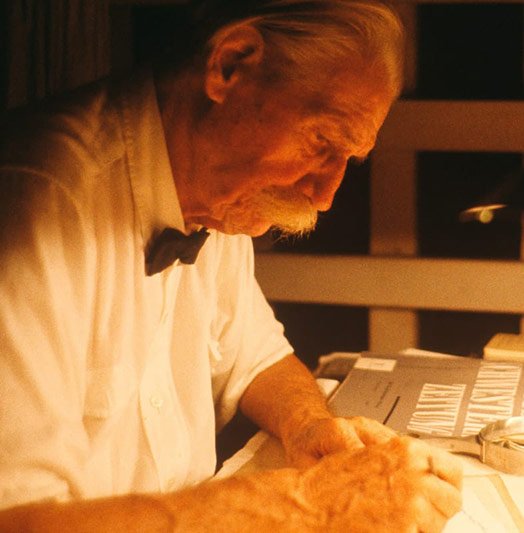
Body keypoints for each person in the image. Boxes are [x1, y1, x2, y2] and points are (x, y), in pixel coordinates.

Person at [0, 1, 463, 531]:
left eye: (346, 160)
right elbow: (17, 521)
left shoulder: (218, 194)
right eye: (321, 143)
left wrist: (309, 424)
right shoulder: (37, 201)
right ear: (230, 66)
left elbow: (259, 357)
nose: (327, 193)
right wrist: (312, 506)